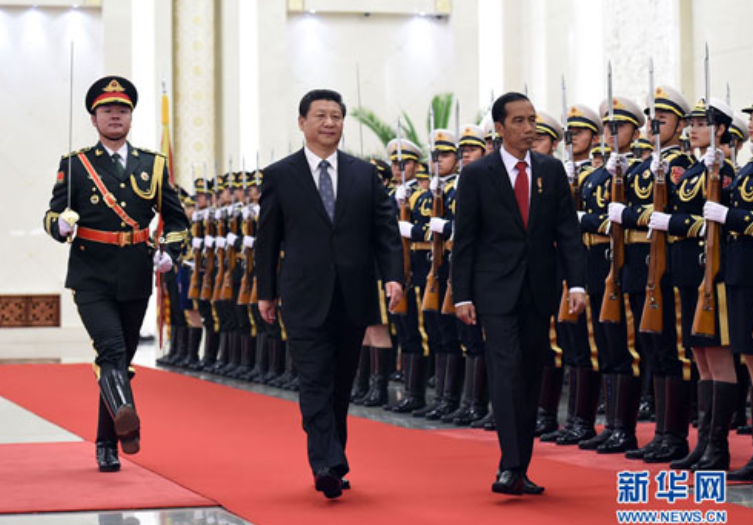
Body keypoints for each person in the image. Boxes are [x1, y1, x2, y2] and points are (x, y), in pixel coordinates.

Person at [255, 89, 403, 499]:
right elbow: (267, 239)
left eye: (336, 116)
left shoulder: (363, 174)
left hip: (353, 294)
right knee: (314, 378)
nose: (329, 123)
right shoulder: (280, 175)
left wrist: (394, 277)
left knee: (340, 382)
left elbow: (385, 230)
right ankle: (325, 461)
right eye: (320, 115)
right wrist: (265, 291)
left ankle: (333, 458)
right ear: (302, 122)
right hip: (302, 294)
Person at [43, 76, 188, 472]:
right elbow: (52, 214)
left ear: (130, 118)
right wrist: (60, 226)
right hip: (90, 273)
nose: (115, 116)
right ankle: (125, 414)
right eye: (107, 110)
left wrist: (171, 253)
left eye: (121, 110)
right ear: (94, 119)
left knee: (118, 361)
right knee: (111, 351)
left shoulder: (152, 165)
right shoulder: (76, 165)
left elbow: (177, 221)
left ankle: (108, 441)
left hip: (135, 273)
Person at [452, 92, 587, 496]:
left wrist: (577, 283)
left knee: (530, 375)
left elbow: (567, 232)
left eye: (532, 120)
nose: (530, 128)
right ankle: (510, 465)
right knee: (507, 370)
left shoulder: (550, 171)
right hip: (494, 291)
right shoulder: (477, 174)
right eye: (520, 121)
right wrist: (462, 295)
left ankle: (519, 466)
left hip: (538, 290)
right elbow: (466, 240)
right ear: (499, 128)